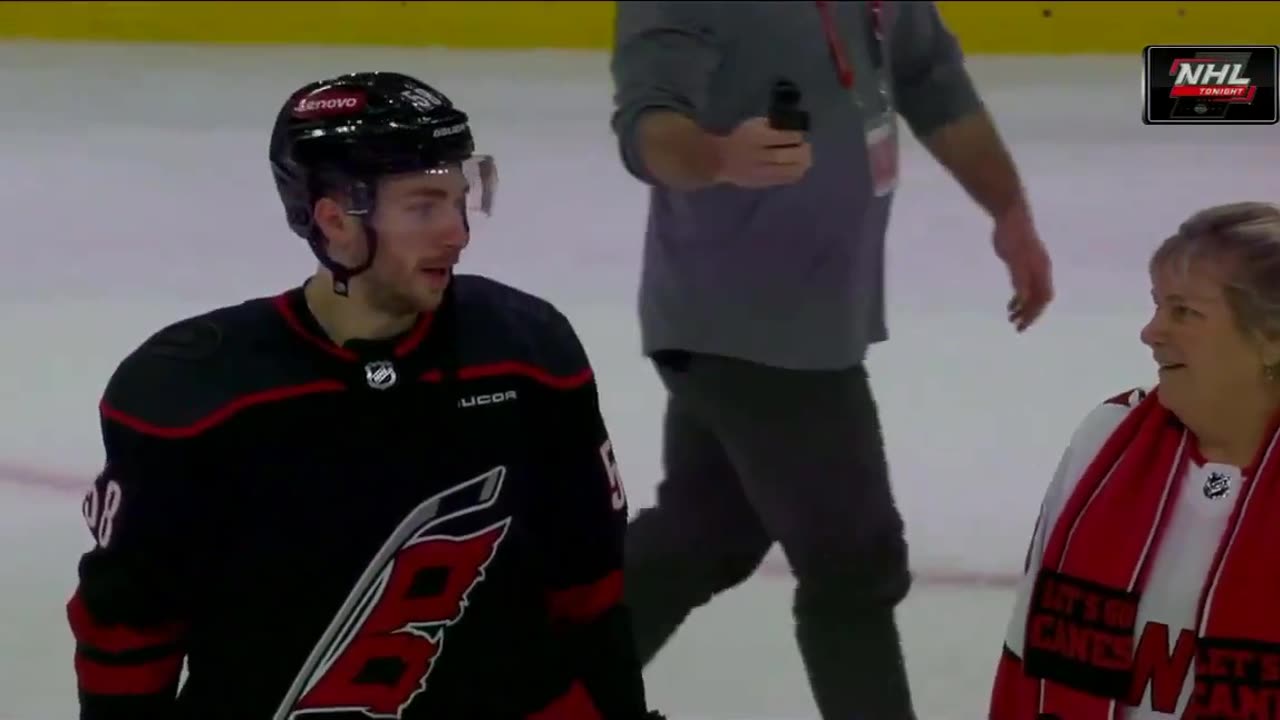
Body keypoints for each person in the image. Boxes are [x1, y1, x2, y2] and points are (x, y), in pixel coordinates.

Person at [67, 71, 662, 720]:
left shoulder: (527, 355)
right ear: (336, 222)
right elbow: (129, 634)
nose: (458, 232)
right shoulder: (190, 397)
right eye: (423, 206)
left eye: (461, 200)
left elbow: (590, 590)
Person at [609, 2, 1052, 718]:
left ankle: (533, 688)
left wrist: (1009, 211)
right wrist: (717, 155)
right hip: (745, 322)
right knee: (854, 564)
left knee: (706, 533)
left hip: (813, 318)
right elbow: (647, 126)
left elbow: (929, 77)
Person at [990, 201, 1280, 720]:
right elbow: (1023, 660)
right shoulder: (1106, 439)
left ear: (1271, 340)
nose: (1151, 332)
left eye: (1183, 312)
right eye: (1156, 306)